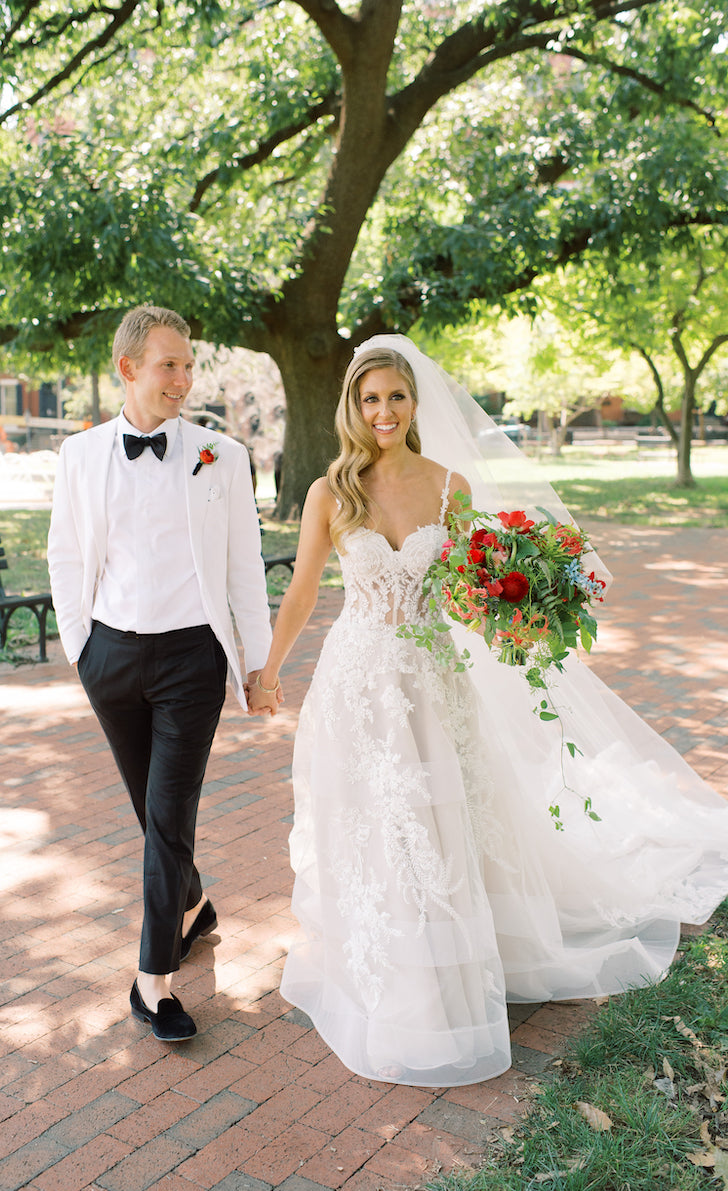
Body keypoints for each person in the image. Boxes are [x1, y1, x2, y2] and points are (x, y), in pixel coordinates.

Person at [246, 333, 728, 1087]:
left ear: (414, 403)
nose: (383, 411)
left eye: (396, 397)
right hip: (360, 683)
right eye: (369, 398)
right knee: (374, 817)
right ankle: (389, 961)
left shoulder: (450, 486)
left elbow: (472, 590)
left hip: (435, 678)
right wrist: (269, 670)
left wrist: (528, 609)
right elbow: (303, 591)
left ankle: (451, 957)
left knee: (440, 812)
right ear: (352, 405)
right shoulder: (329, 491)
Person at [48, 305, 271, 1041]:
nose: (183, 378)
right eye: (169, 364)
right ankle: (195, 904)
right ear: (129, 369)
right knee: (153, 818)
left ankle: (154, 983)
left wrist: (257, 661)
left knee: (170, 813)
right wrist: (82, 648)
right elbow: (66, 556)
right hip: (108, 656)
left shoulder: (220, 456)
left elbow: (243, 570)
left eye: (188, 364)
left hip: (191, 662)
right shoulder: (80, 457)